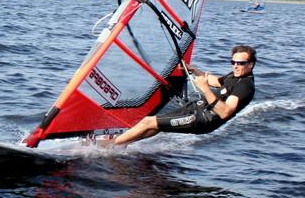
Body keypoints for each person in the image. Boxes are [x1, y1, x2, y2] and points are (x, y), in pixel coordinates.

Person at [106, 45, 257, 147]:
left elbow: (225, 112)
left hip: (203, 120)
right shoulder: (235, 75)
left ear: (250, 64)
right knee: (156, 125)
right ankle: (122, 144)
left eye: (241, 63)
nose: (236, 65)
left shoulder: (245, 86)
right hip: (197, 109)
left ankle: (109, 146)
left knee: (148, 122)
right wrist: (193, 70)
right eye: (233, 62)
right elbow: (216, 81)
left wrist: (205, 89)